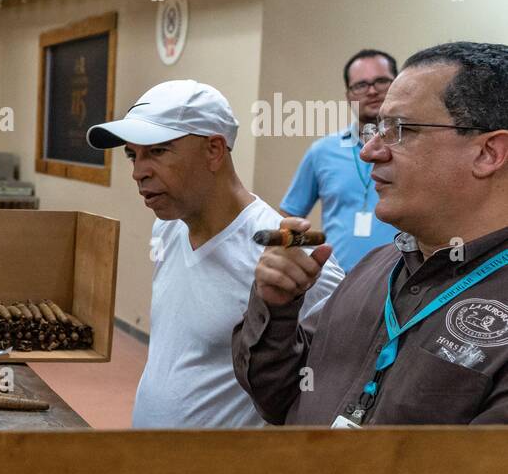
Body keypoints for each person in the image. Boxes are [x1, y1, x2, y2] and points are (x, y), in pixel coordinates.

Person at [234, 41, 508, 425]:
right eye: (377, 129)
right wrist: (277, 309)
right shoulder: (373, 269)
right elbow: (280, 397)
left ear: (488, 153)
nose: (370, 151)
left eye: (400, 130)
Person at [87, 80, 343, 428]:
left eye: (158, 151)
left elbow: (332, 379)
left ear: (213, 150)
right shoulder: (169, 227)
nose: (138, 172)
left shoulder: (284, 255)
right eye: (134, 155)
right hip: (152, 463)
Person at [280, 49, 401, 270]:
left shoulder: (414, 148)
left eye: (381, 81)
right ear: (348, 96)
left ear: (398, 85)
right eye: (361, 85)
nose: (372, 91)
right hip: (337, 284)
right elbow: (288, 216)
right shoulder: (322, 151)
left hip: (401, 285)